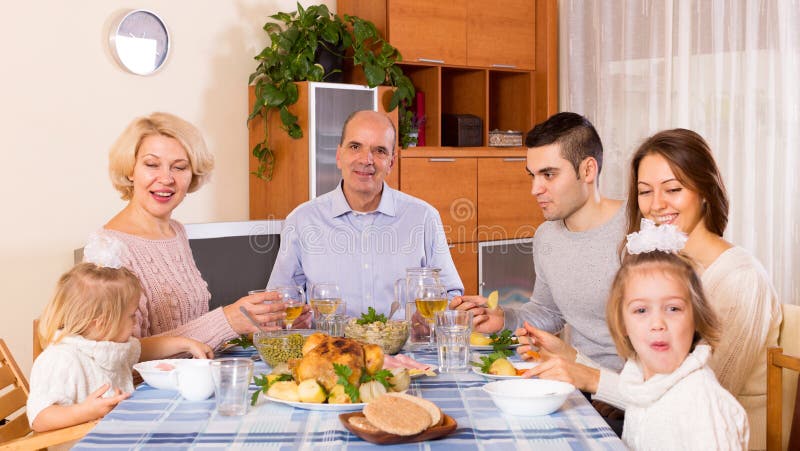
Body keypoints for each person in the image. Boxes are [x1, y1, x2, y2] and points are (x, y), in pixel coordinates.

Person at [519, 129, 780, 449]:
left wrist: (586, 376)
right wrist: (571, 357)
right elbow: (646, 382)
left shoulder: (740, 278)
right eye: (645, 192)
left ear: (705, 190)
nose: (657, 205)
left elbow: (687, 404)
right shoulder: (665, 269)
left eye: (673, 189)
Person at [450, 112, 626, 373]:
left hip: (626, 395)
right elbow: (549, 312)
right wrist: (503, 318)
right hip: (574, 383)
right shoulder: (547, 236)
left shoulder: (636, 229)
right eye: (532, 175)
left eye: (549, 175)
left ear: (588, 170)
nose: (535, 189)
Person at [100, 112, 287, 349]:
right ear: (130, 169)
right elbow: (119, 354)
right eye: (151, 164)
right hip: (144, 386)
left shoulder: (175, 231)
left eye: (179, 167)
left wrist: (248, 324)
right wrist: (226, 321)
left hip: (192, 378)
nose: (166, 178)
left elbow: (191, 329)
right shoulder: (109, 249)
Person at [267, 110, 463, 317]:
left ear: (391, 163)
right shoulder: (301, 220)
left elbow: (451, 295)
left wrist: (425, 323)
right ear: (338, 156)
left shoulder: (423, 217)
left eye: (379, 151)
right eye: (355, 147)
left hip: (407, 348)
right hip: (332, 348)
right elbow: (280, 300)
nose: (366, 159)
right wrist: (295, 320)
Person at [28, 238, 213, 433]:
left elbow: (145, 348)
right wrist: (85, 412)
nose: (135, 322)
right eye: (131, 316)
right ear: (100, 322)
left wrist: (185, 344)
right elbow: (39, 419)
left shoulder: (106, 345)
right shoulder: (61, 360)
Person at [606, 222, 749, 450]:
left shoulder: (700, 401)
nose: (657, 324)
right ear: (622, 323)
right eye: (641, 310)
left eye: (673, 308)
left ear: (696, 317)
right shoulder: (638, 379)